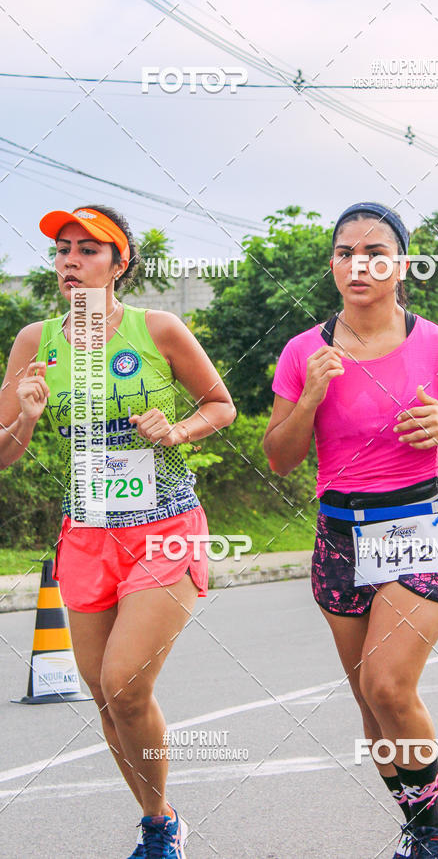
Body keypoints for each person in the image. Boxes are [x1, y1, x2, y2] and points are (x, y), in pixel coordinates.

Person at [264, 202, 438, 858]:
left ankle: (433, 834)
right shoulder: (302, 353)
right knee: (372, 710)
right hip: (338, 537)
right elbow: (280, 457)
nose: (358, 263)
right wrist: (310, 396)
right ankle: (419, 825)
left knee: (387, 685)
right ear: (332, 264)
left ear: (401, 265)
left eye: (375, 251)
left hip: (416, 527)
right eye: (345, 251)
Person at [0, 205, 236, 859]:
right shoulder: (34, 341)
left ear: (119, 262)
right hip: (87, 534)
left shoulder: (157, 330)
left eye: (88, 250)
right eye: (61, 250)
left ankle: (160, 828)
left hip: (165, 525)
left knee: (125, 682)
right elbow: (3, 451)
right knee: (106, 698)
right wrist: (24, 418)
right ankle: (159, 821)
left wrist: (177, 429)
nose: (70, 261)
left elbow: (222, 405)